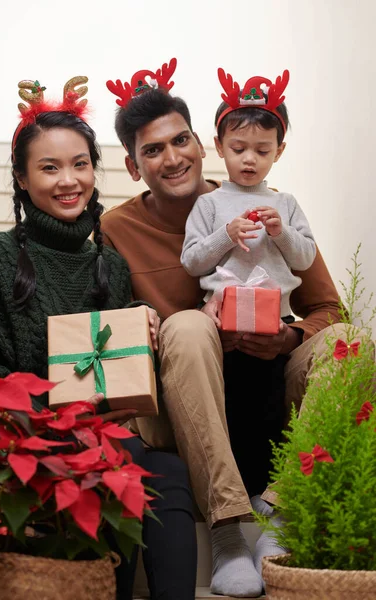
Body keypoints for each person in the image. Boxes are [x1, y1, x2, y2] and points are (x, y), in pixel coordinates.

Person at [101, 59, 354, 598]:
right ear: (132, 165)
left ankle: (280, 507)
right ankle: (227, 530)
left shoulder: (269, 207)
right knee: (190, 327)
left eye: (181, 140)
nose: (173, 159)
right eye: (152, 150)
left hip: (269, 387)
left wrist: (287, 338)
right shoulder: (116, 230)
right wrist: (135, 318)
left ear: (201, 142)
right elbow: (104, 333)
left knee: (350, 346)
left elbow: (330, 310)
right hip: (189, 403)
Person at [0, 77, 197, 600]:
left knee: (164, 468)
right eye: (49, 168)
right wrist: (53, 412)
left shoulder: (111, 267)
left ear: (95, 171)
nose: (68, 180)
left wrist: (139, 335)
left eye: (80, 164)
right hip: (22, 440)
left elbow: (116, 383)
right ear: (23, 180)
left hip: (99, 441)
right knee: (104, 475)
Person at [180, 68, 317, 512]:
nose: (248, 159)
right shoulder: (208, 203)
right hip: (224, 322)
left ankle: (265, 496)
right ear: (218, 147)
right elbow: (192, 261)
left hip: (273, 324)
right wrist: (224, 234)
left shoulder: (286, 203)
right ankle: (235, 491)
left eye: (262, 150)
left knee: (270, 405)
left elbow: (305, 259)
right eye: (238, 149)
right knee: (232, 406)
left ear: (279, 151)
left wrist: (281, 234)